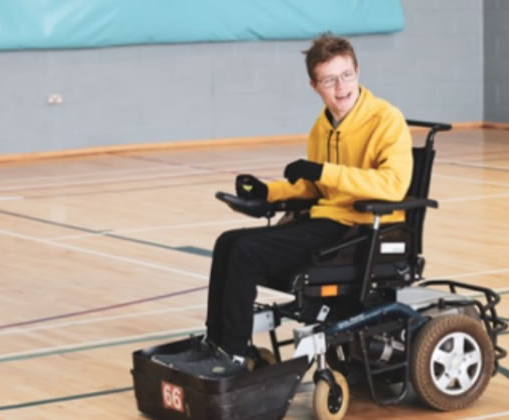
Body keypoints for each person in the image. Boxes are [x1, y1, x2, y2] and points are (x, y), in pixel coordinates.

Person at [155, 34, 413, 377]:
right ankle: (216, 342)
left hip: (360, 227)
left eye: (346, 75)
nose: (341, 87)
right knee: (227, 242)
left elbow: (393, 185)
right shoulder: (322, 127)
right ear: (314, 85)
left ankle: (232, 355)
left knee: (247, 250)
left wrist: (324, 171)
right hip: (327, 219)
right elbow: (312, 187)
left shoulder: (386, 119)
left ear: (357, 70)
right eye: (329, 80)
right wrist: (268, 192)